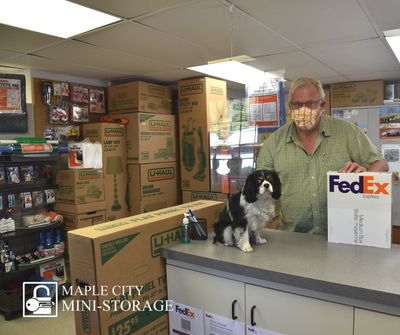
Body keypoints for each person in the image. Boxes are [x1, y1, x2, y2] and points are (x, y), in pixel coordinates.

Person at [256, 77, 388, 234]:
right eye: (297, 104)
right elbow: (260, 188)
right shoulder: (274, 142)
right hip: (293, 239)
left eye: (310, 104)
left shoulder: (346, 131)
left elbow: (381, 164)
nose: (303, 110)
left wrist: (364, 177)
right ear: (290, 105)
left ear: (322, 105)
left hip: (343, 234)